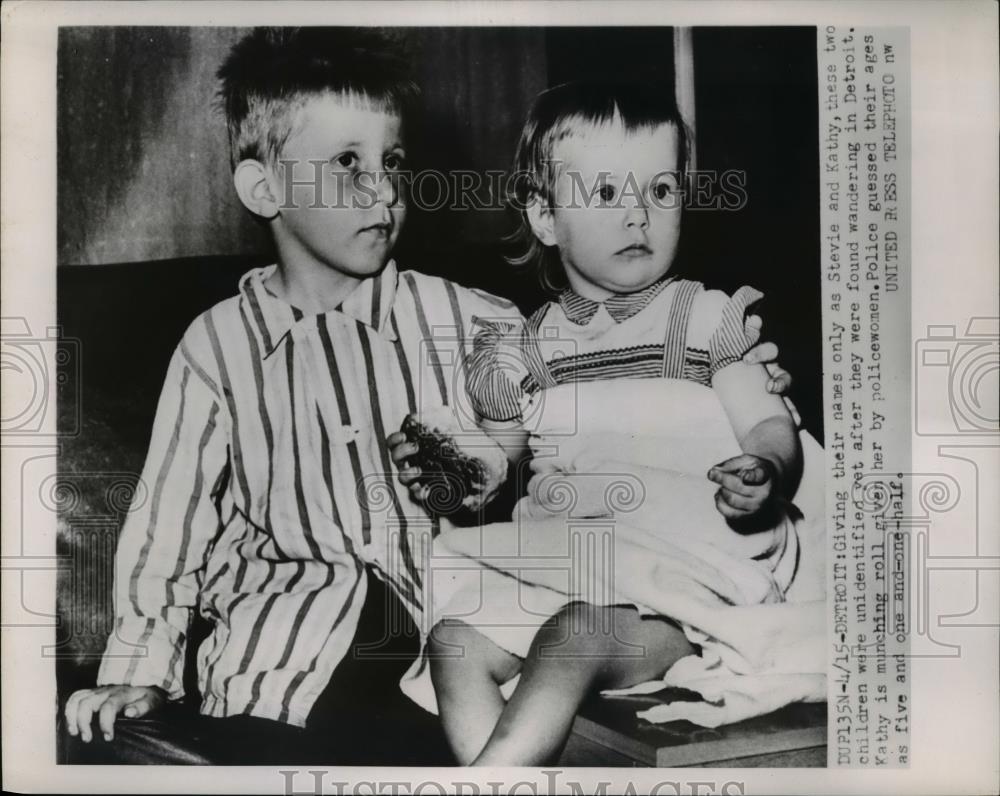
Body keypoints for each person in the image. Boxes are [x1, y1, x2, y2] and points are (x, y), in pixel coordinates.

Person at [63, 30, 790, 765]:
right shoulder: (216, 347)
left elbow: (584, 379)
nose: (382, 188)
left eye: (394, 162)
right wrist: (135, 675)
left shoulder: (477, 324)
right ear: (264, 188)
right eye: (348, 164)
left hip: (432, 666)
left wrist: (724, 383)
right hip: (276, 666)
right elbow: (165, 531)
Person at [392, 81, 808, 766]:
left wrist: (767, 468)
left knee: (570, 635)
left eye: (662, 190)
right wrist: (455, 470)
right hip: (573, 566)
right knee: (453, 641)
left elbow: (767, 422)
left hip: (684, 583)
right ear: (546, 217)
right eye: (608, 195)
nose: (640, 215)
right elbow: (495, 468)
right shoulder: (523, 350)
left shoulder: (704, 319)